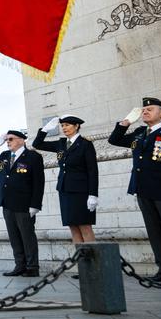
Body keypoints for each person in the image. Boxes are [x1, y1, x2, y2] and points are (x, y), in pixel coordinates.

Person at [108, 97, 161, 283]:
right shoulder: (139, 133)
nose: (145, 112)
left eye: (150, 109)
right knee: (155, 232)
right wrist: (126, 122)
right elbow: (114, 140)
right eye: (144, 110)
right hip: (143, 190)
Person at [33, 115, 99, 271]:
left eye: (67, 125)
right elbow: (37, 144)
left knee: (85, 227)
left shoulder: (85, 144)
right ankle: (83, 266)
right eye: (62, 125)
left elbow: (92, 171)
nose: (64, 128)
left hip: (82, 192)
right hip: (65, 190)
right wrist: (44, 130)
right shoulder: (61, 143)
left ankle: (96, 266)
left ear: (76, 126)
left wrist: (93, 194)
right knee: (73, 228)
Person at [0, 130, 44, 276]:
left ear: (22, 140)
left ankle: (32, 267)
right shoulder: (4, 156)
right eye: (6, 139)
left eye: (11, 139)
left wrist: (35, 204)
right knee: (14, 237)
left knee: (27, 236)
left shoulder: (33, 157)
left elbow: (38, 182)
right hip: (7, 202)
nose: (8, 142)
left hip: (24, 203)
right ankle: (20, 266)